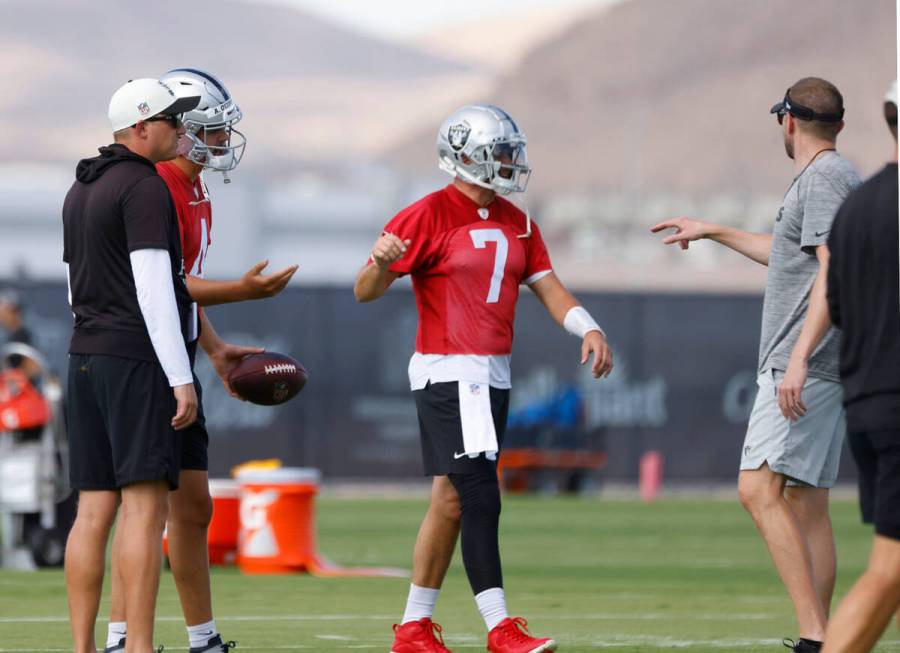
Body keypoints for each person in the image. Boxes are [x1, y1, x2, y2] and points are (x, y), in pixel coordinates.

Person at [354, 104, 612, 653]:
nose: (509, 161)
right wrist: (380, 263)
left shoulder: (518, 222)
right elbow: (366, 290)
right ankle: (499, 627)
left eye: (511, 151)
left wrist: (587, 328)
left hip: (491, 374)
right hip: (452, 369)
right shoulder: (426, 214)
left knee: (449, 500)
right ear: (464, 155)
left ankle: (414, 628)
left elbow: (550, 287)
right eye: (499, 151)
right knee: (479, 494)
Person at [650, 77, 860, 652]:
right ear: (838, 125)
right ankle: (824, 637)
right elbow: (790, 254)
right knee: (804, 498)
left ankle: (816, 635)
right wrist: (712, 230)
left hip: (806, 363)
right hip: (824, 362)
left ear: (788, 121)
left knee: (757, 488)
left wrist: (797, 361)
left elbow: (831, 269)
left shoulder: (821, 179)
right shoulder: (836, 177)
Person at [102, 67, 298, 653]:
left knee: (192, 507)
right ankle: (118, 639)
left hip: (179, 354)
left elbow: (181, 289)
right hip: (146, 358)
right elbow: (165, 283)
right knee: (141, 511)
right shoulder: (154, 185)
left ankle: (202, 638)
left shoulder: (195, 187)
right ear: (177, 127)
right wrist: (239, 291)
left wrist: (212, 349)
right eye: (210, 129)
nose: (219, 140)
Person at [62, 77, 201, 653]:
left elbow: (74, 291)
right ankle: (139, 648)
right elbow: (154, 291)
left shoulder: (80, 186)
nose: (181, 130)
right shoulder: (144, 186)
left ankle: (83, 648)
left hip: (83, 356)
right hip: (133, 359)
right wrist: (181, 377)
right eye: (172, 119)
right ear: (141, 126)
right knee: (144, 510)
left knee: (92, 510)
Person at [820, 81, 900, 653]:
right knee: (890, 568)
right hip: (899, 407)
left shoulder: (855, 208)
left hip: (868, 405)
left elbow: (839, 307)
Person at [0, 287, 40, 376]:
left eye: (4, 310)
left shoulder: (24, 336)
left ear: (14, 311)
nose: (1, 314)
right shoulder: (9, 336)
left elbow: (34, 368)